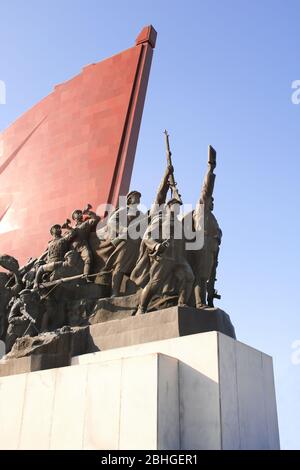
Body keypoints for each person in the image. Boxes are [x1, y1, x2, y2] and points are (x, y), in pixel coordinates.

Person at [131, 165, 194, 315]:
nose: (178, 209)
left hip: (178, 258)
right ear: (169, 207)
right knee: (154, 284)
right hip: (164, 256)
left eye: (180, 207)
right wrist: (157, 247)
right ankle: (142, 308)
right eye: (176, 206)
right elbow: (147, 237)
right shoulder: (160, 218)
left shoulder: (180, 223)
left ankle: (182, 304)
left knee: (189, 277)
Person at [104, 190, 146, 296]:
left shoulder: (141, 214)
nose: (138, 199)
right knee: (120, 266)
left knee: (135, 268)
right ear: (129, 199)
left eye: (139, 197)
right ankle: (114, 292)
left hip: (137, 244)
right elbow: (111, 221)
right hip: (126, 242)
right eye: (135, 197)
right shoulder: (124, 210)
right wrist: (123, 229)